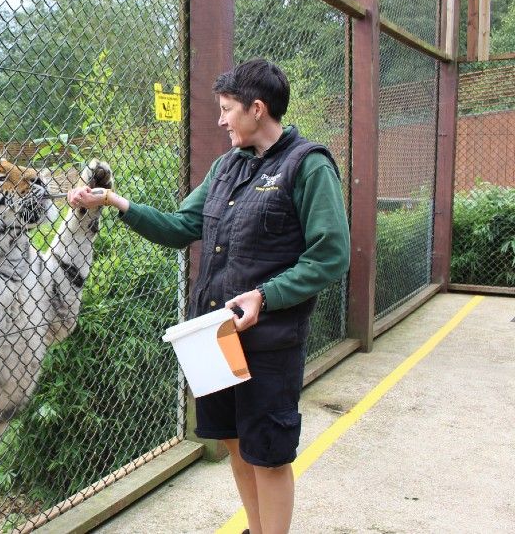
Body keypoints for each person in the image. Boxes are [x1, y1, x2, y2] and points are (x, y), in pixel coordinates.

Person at [67, 58, 350, 534]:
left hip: (269, 342)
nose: (220, 120)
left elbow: (331, 255)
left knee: (269, 452)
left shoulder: (308, 165)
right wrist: (114, 202)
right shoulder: (225, 167)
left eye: (226, 109)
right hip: (214, 334)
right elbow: (182, 228)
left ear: (256, 109)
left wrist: (266, 295)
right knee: (236, 442)